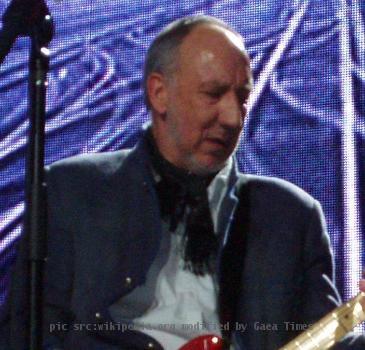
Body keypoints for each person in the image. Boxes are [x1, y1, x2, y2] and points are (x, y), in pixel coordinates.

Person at [1, 15, 365, 350]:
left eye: (242, 96)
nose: (232, 117)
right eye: (213, 94)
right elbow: (26, 334)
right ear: (159, 93)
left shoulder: (291, 215)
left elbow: (328, 342)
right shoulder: (72, 190)